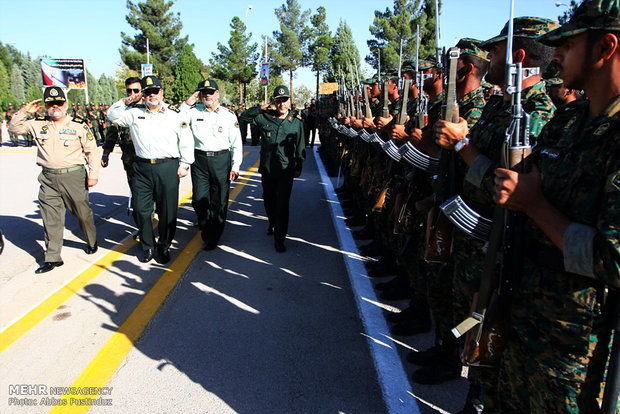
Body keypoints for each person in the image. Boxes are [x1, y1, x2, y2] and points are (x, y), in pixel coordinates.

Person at [492, 2, 619, 411]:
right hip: (525, 319)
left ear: (606, 47)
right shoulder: (569, 119)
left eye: (568, 43)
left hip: (579, 350)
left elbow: (615, 261)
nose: (557, 54)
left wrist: (533, 205)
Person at [434, 17, 558, 412]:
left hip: (503, 244)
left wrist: (464, 145)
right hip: (478, 236)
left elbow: (509, 190)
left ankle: (478, 397)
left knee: (490, 332)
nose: (490, 59)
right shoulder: (501, 106)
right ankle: (471, 387)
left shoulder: (538, 114)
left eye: (496, 50)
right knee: (470, 316)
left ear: (518, 55)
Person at [8, 87, 100, 274]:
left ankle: (91, 240)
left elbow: (92, 150)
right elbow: (14, 128)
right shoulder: (37, 123)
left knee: (83, 214)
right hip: (48, 177)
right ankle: (52, 257)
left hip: (73, 176)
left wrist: (93, 174)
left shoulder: (78, 124)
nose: (55, 106)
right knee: (50, 219)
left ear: (65, 104)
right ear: (45, 105)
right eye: (50, 103)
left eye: (59, 102)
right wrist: (25, 112)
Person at [107, 75, 194, 264]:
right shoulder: (133, 113)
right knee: (140, 209)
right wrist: (126, 100)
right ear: (143, 95)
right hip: (142, 168)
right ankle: (147, 245)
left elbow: (186, 140)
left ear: (161, 92)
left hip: (167, 167)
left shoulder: (174, 115)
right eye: (147, 92)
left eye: (155, 91)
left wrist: (185, 163)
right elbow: (112, 115)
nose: (152, 95)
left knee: (167, 211)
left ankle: (163, 246)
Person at [239, 85, 305, 252]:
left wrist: (299, 166)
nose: (282, 104)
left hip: (285, 170)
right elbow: (244, 117)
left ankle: (280, 238)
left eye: (284, 101)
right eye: (278, 101)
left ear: (290, 102)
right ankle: (272, 222)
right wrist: (262, 107)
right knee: (268, 200)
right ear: (274, 102)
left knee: (283, 204)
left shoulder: (296, 123)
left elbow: (300, 147)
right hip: (268, 169)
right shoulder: (265, 118)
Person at [181, 79, 242, 250]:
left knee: (219, 200)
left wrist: (235, 165)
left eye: (210, 92)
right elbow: (177, 119)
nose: (207, 95)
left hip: (221, 159)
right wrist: (187, 103)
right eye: (203, 92)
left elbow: (237, 143)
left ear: (217, 94)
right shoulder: (193, 113)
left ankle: (213, 235)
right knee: (199, 199)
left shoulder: (228, 116)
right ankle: (206, 223)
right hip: (199, 160)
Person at [101, 77, 141, 190]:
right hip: (130, 158)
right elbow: (112, 133)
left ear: (142, 91)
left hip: (148, 158)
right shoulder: (121, 111)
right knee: (135, 189)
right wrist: (105, 154)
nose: (132, 94)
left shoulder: (149, 108)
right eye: (129, 91)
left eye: (136, 91)